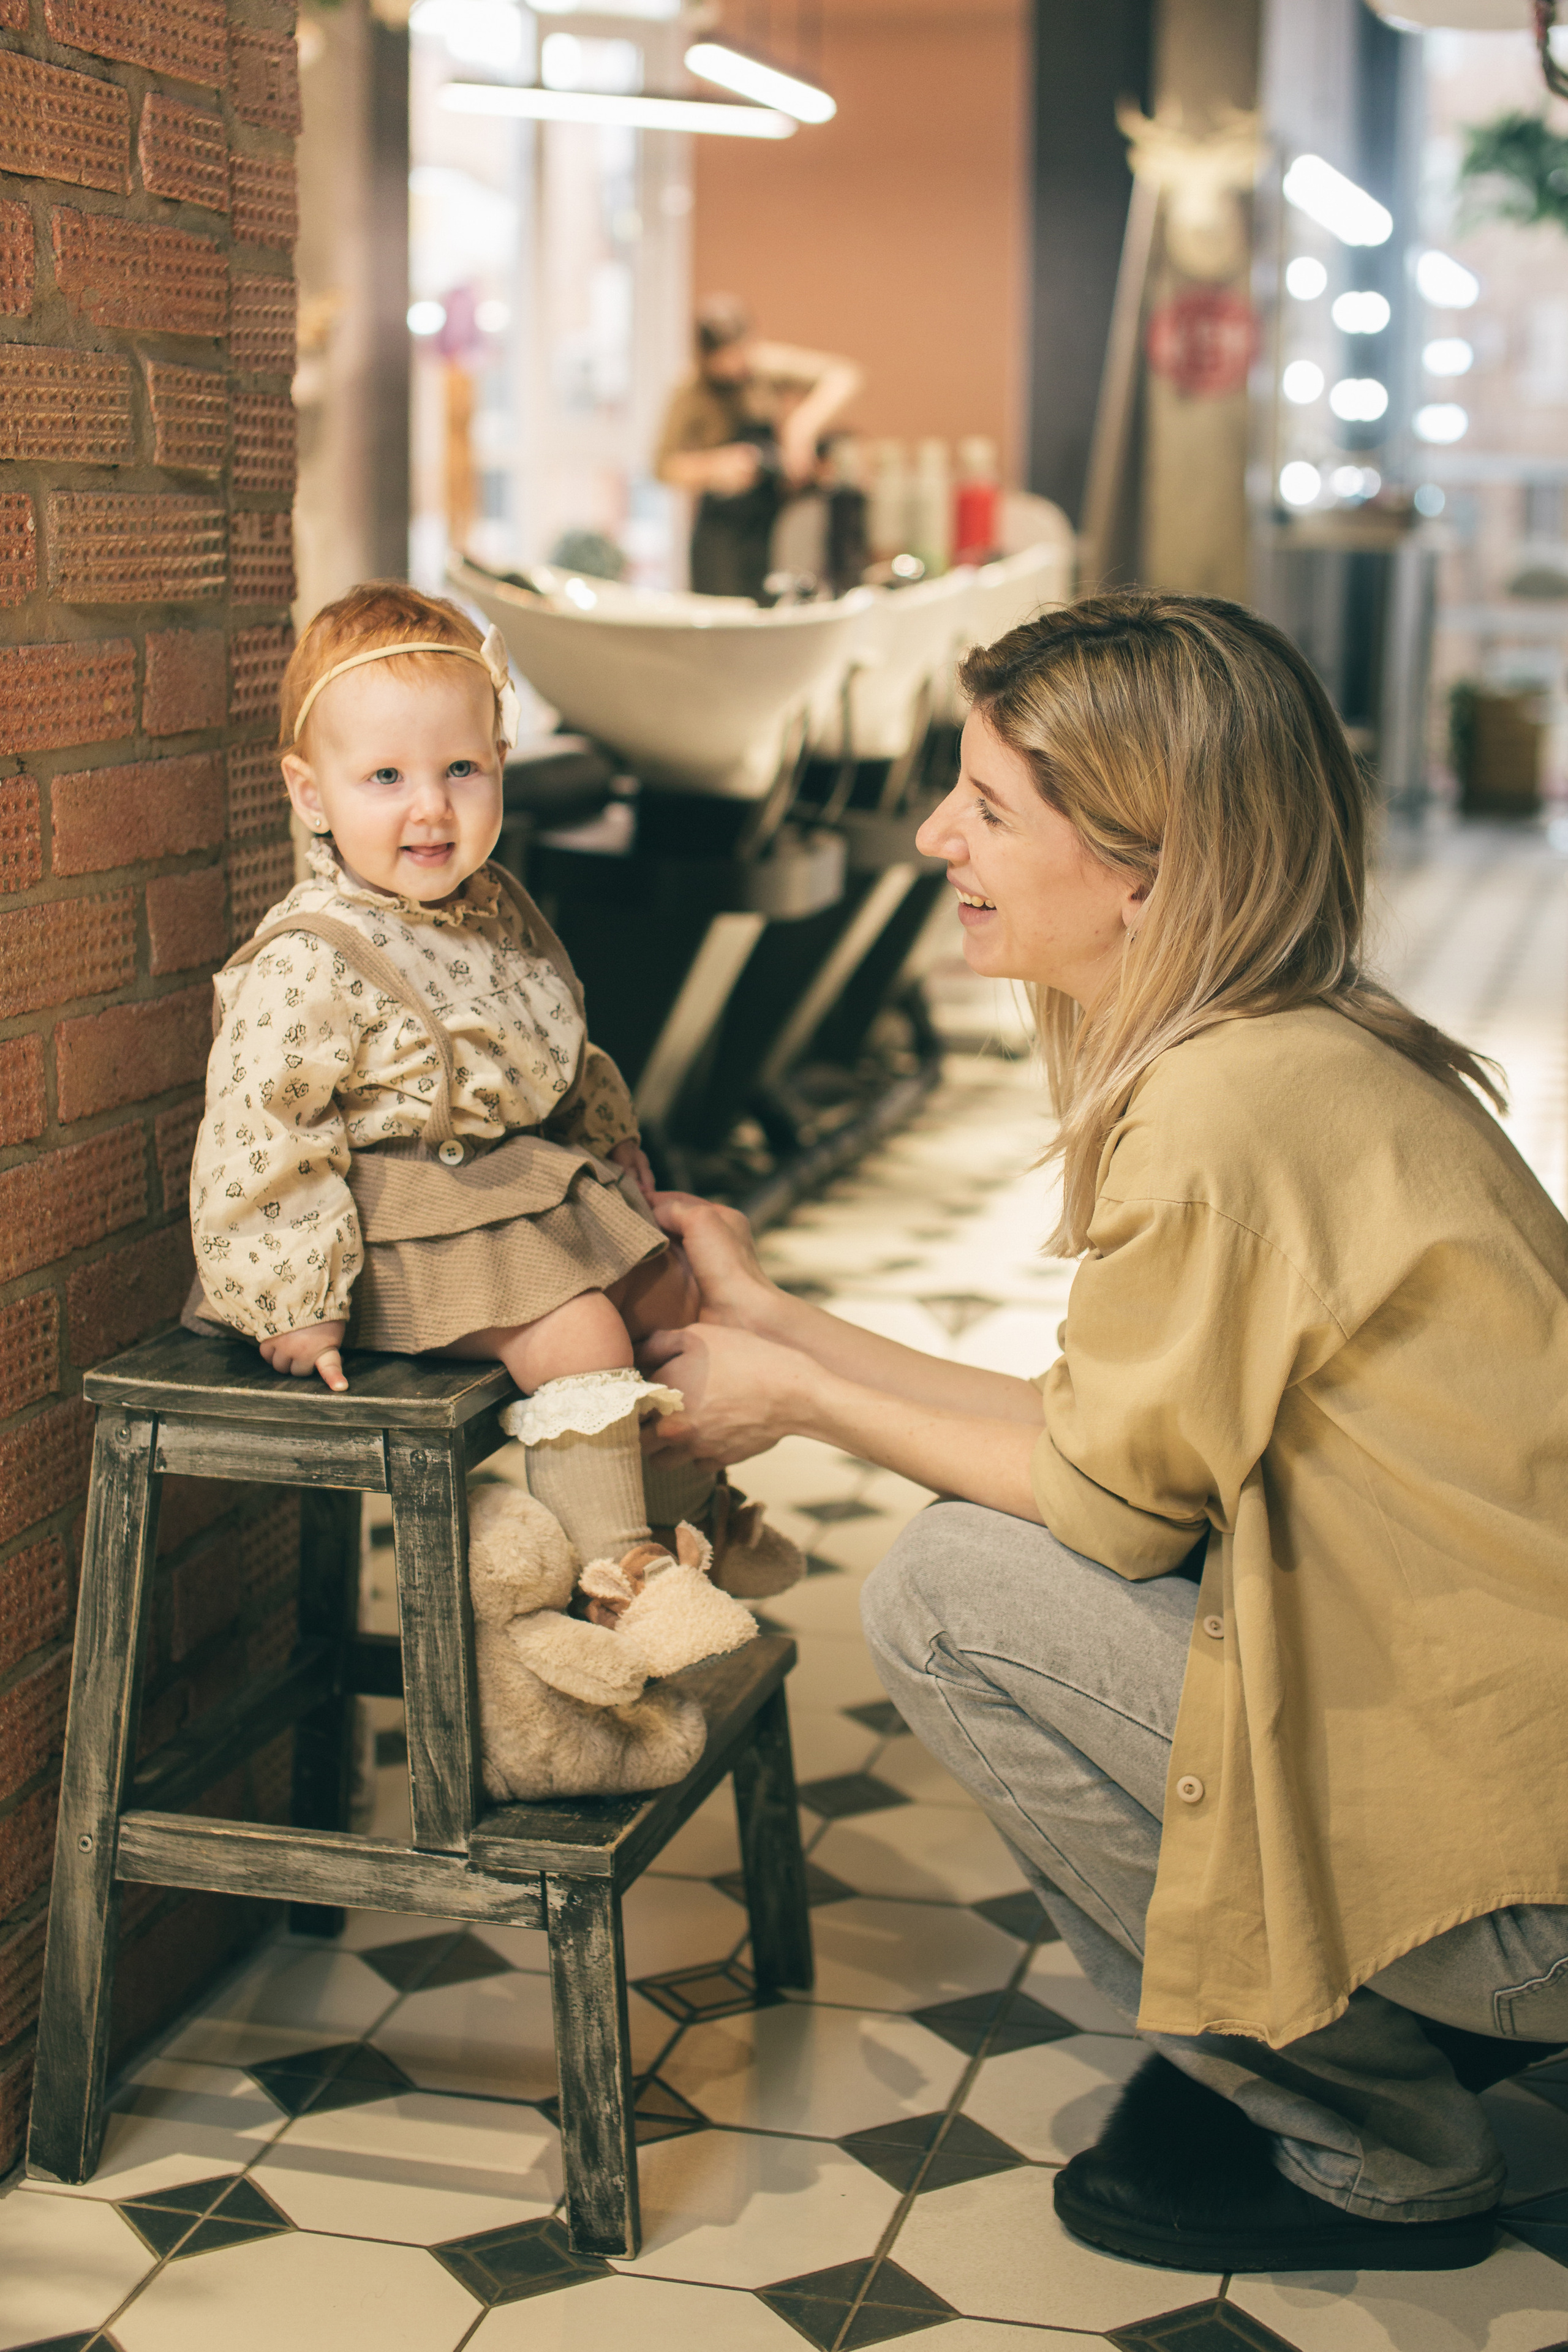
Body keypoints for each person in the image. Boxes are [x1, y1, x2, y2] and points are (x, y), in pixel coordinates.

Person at [637, 591, 1568, 2275]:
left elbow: (1105, 1514)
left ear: (1148, 867)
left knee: (945, 1593)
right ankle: (1418, 2017)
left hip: (1532, 1901)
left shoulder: (1224, 1111)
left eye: (989, 807)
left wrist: (801, 1406)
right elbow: (1120, 1443)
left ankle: (1387, 2136)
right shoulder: (1301, 1053)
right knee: (988, 1551)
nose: (934, 835)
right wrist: (780, 1323)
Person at [186, 580, 799, 1595]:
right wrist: (294, 1299)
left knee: (672, 1287)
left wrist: (609, 1148)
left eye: (460, 769)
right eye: (384, 776)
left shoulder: (494, 907)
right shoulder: (312, 956)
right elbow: (264, 1128)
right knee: (580, 1335)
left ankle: (691, 1517)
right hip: (387, 1226)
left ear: (500, 768)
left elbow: (555, 1042)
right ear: (310, 793)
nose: (430, 806)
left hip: (502, 1196)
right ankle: (622, 1578)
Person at [654, 292, 862, 598]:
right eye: (723, 361)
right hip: (722, 530)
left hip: (770, 523)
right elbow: (661, 467)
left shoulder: (764, 368)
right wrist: (714, 466)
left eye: (740, 355)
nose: (734, 369)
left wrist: (801, 428)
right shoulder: (689, 392)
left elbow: (845, 376)